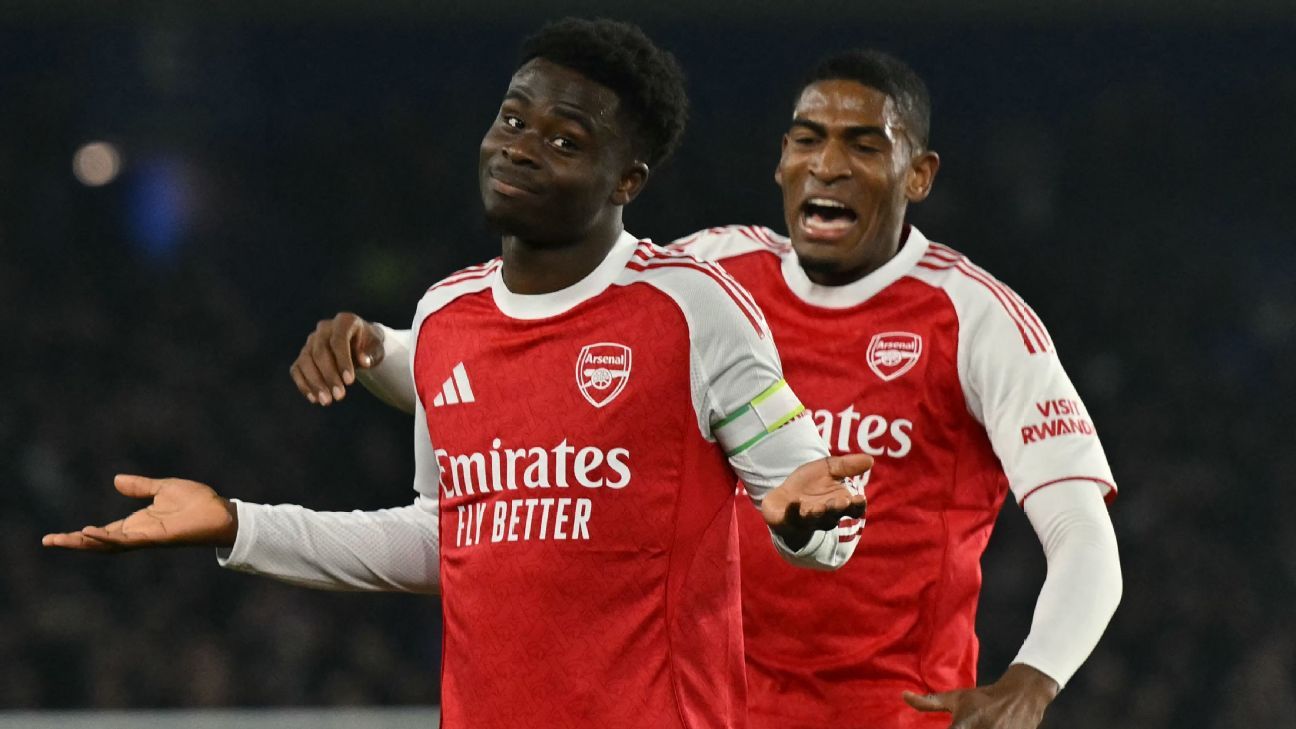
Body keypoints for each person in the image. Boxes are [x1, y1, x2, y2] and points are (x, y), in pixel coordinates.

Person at [42, 20, 874, 729]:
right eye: (512, 119)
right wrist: (239, 523)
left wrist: (807, 524)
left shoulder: (694, 309)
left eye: (565, 140)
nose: (520, 147)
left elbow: (828, 526)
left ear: (628, 179)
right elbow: (448, 540)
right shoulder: (447, 315)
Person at [300, 50, 1122, 729]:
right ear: (781, 161)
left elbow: (1082, 531)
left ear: (919, 175)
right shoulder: (710, 278)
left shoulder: (975, 318)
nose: (828, 164)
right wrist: (378, 351)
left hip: (890, 715)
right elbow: (511, 379)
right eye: (808, 140)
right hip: (716, 708)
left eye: (865, 146)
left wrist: (1035, 676)